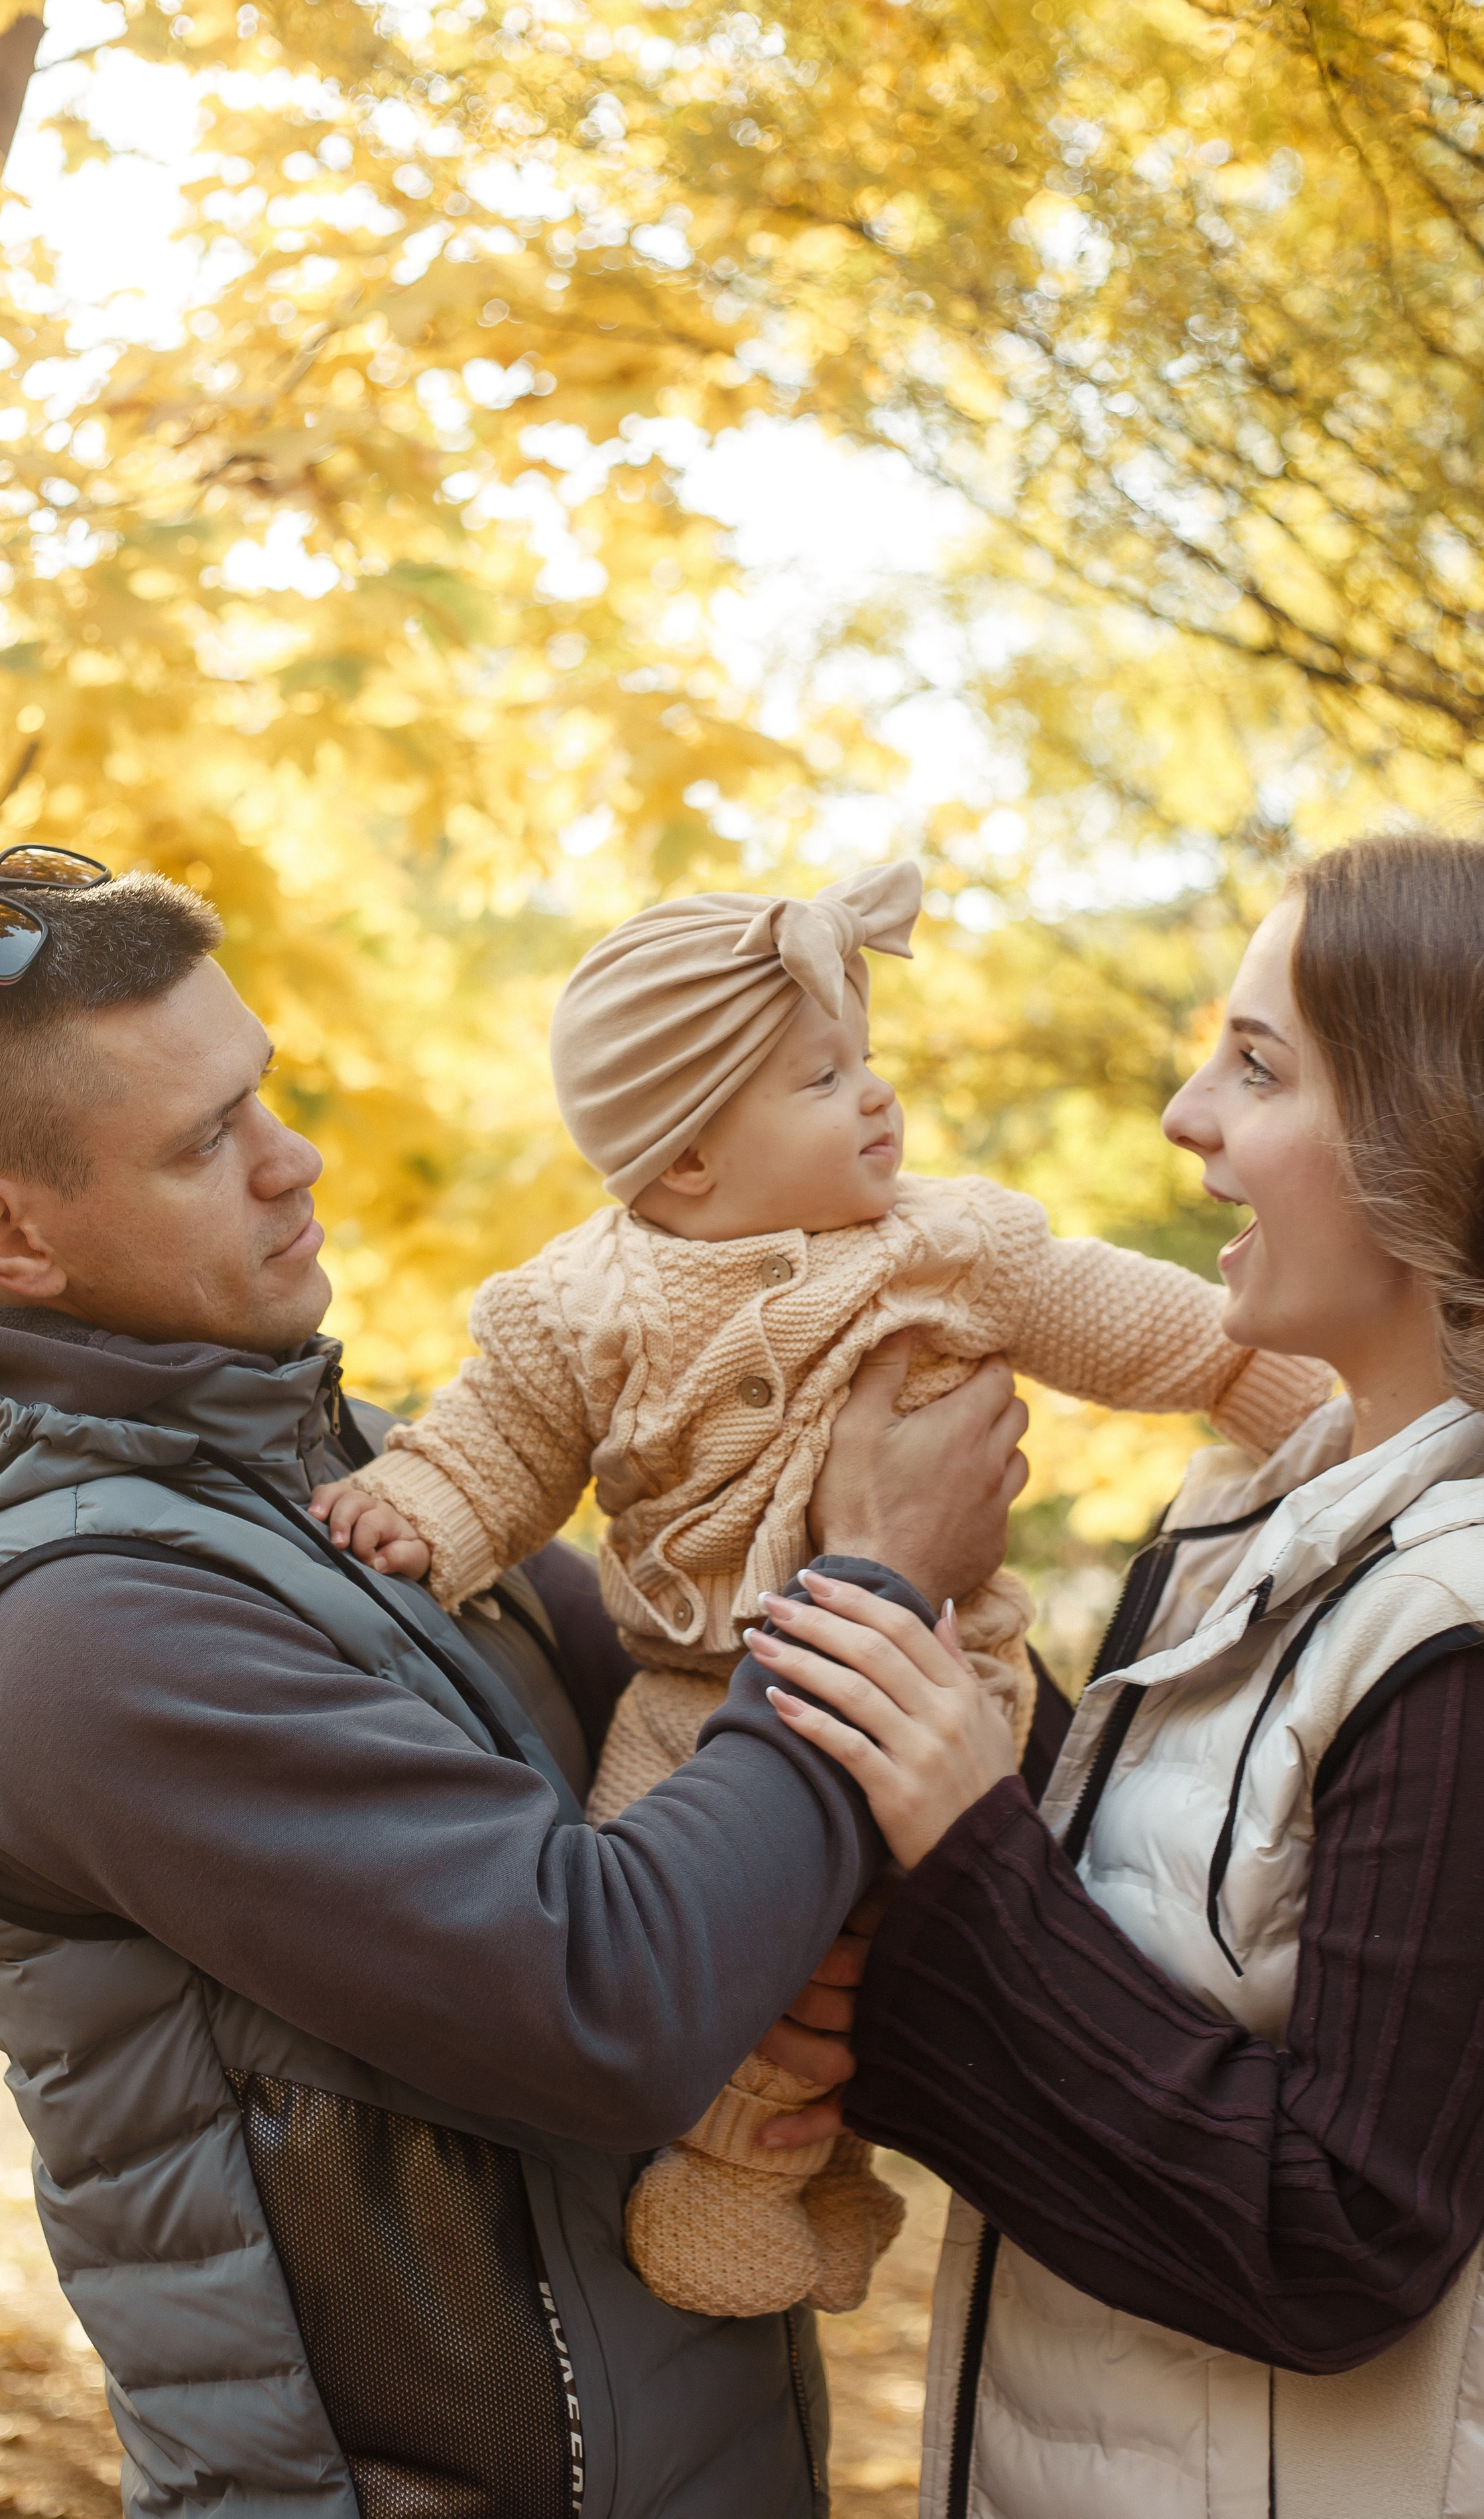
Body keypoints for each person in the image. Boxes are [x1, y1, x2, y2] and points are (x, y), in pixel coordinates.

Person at [0, 844, 1032, 2519]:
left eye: (263, 1091)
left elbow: (690, 1717)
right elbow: (611, 1998)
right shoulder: (80, 1633)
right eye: (206, 1141)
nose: (292, 1161)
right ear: (11, 1235)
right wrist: (871, 1574)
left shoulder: (336, 1475)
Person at [306, 859, 1329, 2322]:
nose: (874, 1096)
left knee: (916, 1950)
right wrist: (416, 1510)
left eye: (862, 1059)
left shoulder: (945, 1246)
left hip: (941, 1693)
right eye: (819, 1079)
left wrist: (1322, 1420)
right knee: (694, 1934)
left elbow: (1165, 1332)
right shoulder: (576, 1306)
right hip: (696, 1705)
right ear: (685, 1163)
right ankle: (741, 2174)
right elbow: (498, 1449)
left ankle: (838, 2153)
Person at [751, 832, 1484, 2519]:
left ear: (1434, 1141)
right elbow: (1150, 1937)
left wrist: (961, 1849)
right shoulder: (1257, 1529)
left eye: (1257, 1066)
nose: (1181, 1115)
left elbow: (1334, 2238)